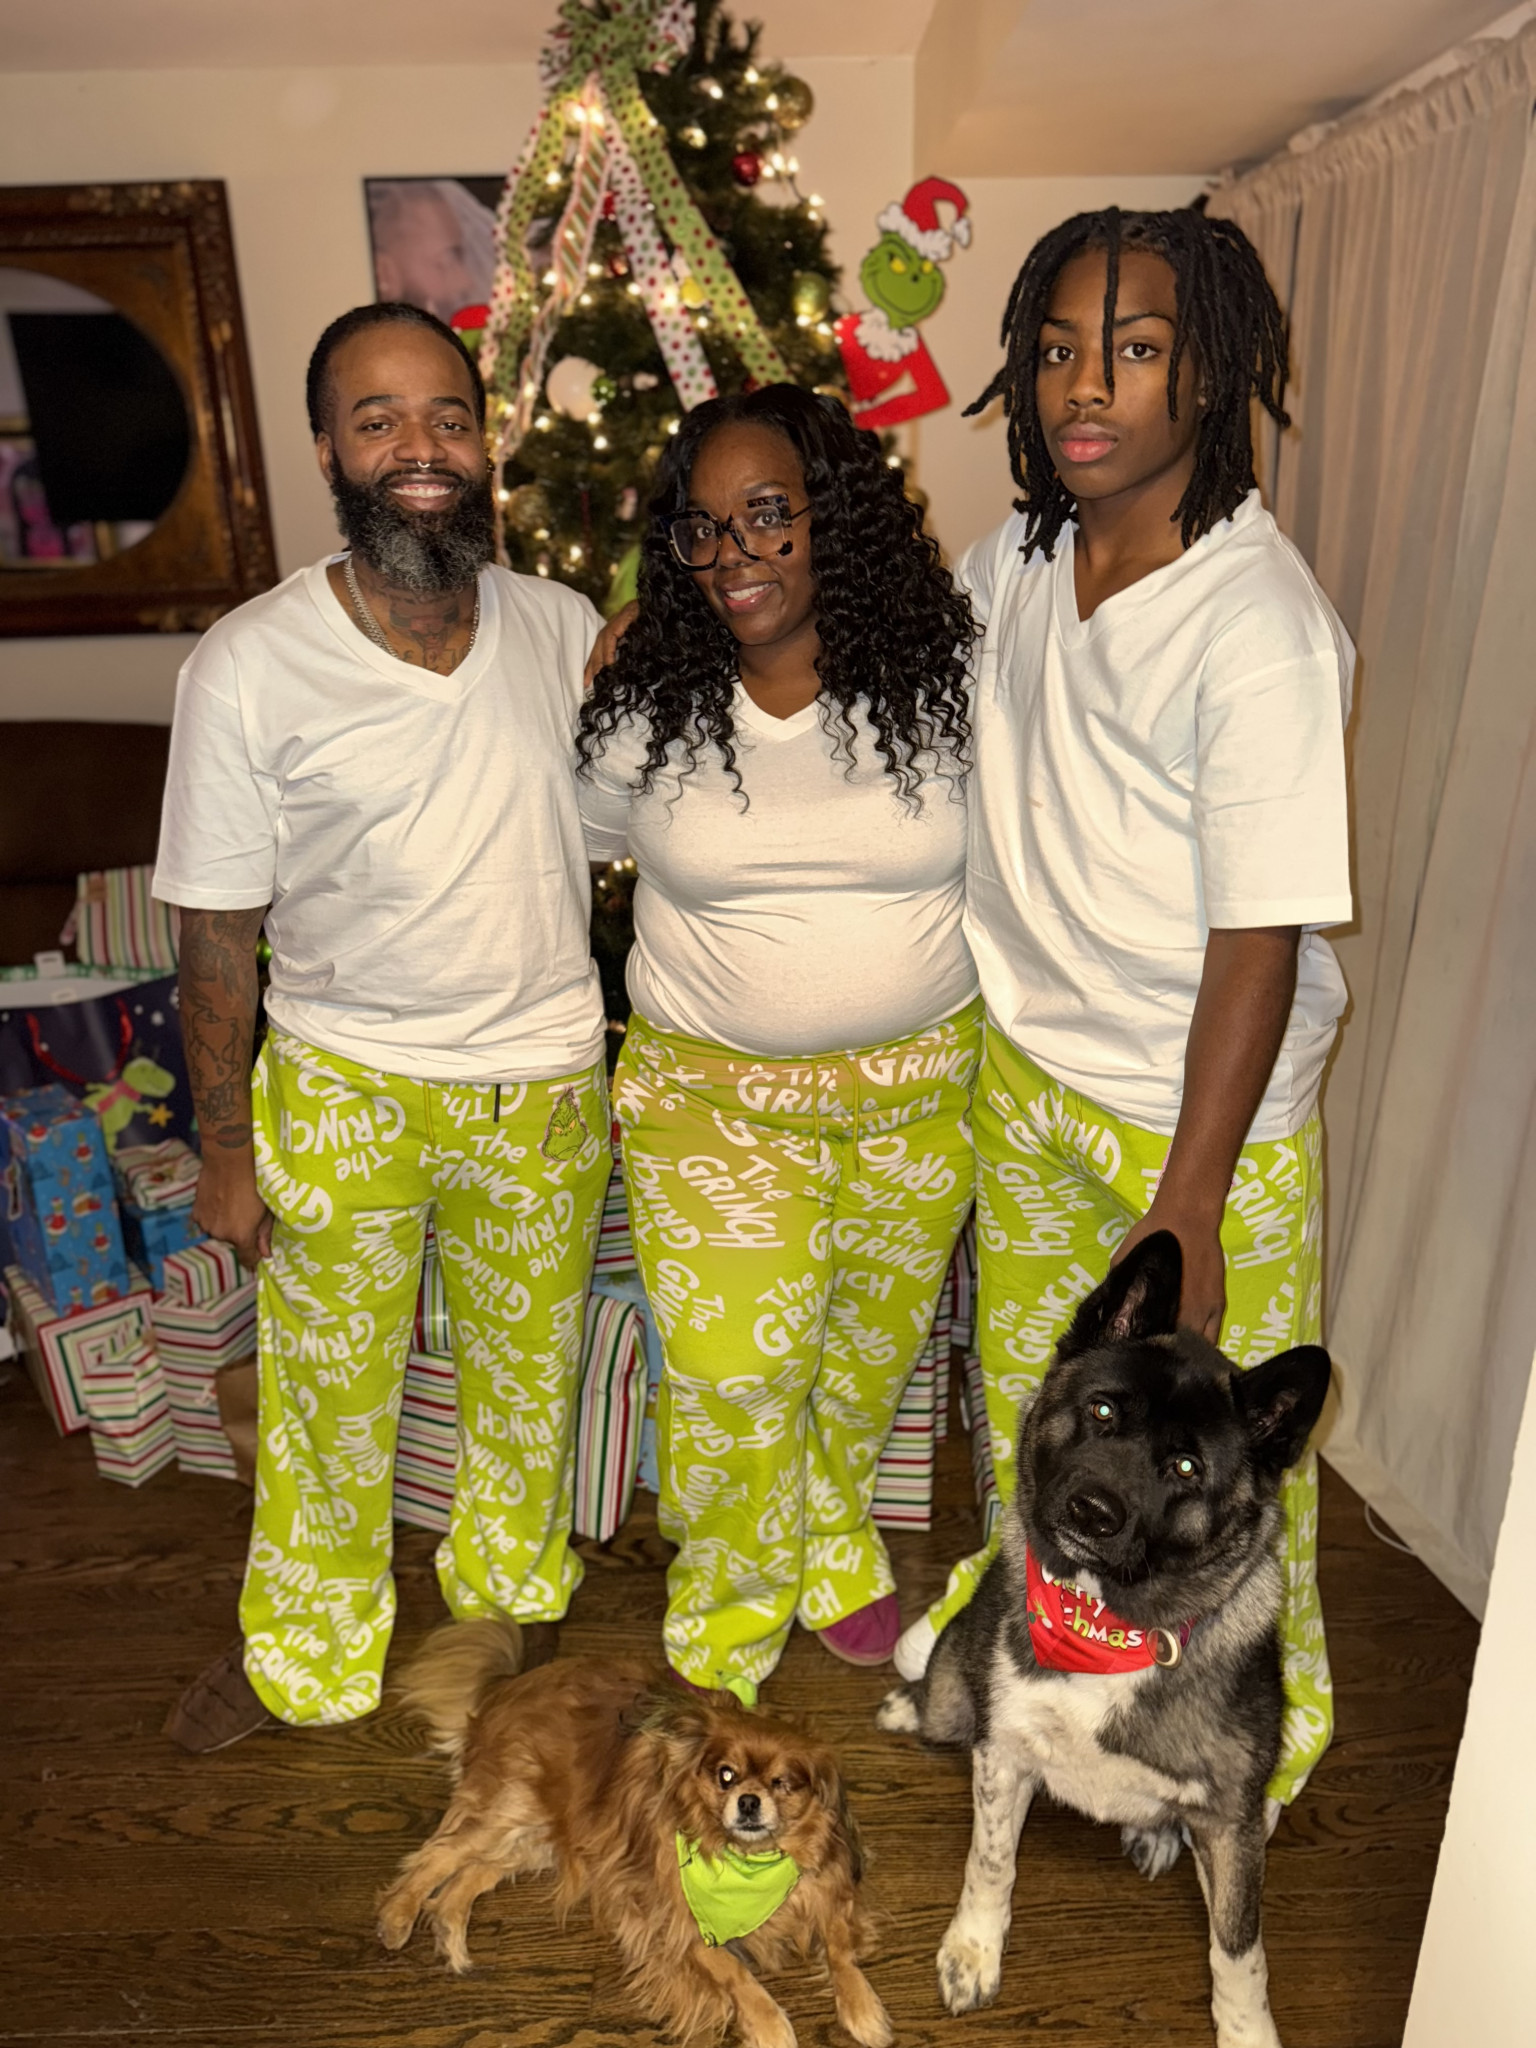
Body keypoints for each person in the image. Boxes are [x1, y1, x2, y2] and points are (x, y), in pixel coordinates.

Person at [896, 207, 1353, 1818]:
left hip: (1202, 1122)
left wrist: (1192, 1198)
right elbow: (897, 661)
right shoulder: (1019, 556)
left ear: (1206, 372)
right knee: (1042, 1427)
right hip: (1030, 1076)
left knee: (1222, 1474)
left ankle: (1255, 1749)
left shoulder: (1259, 626)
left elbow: (1260, 932)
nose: (1086, 386)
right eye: (1057, 350)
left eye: (1137, 350)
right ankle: (1050, 1688)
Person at [153, 302, 611, 1748]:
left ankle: (511, 1596)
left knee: (526, 1386)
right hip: (345, 1083)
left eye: (447, 417)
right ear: (326, 451)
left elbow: (622, 824)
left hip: (546, 1084)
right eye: (379, 420)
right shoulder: (247, 664)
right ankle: (302, 1647)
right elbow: (214, 927)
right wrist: (224, 1144)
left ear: (486, 443)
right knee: (326, 1401)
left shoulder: (563, 629)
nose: (421, 447)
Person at [578, 385, 979, 1702]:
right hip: (713, 1098)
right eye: (703, 528)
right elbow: (579, 837)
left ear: (833, 516)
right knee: (735, 1376)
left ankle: (834, 1539)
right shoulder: (647, 699)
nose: (735, 553)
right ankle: (728, 1608)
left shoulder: (950, 681)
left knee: (862, 1368)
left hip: (919, 1096)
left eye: (767, 514)